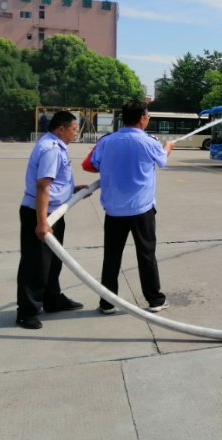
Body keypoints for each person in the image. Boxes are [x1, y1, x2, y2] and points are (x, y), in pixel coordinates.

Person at [89, 99, 174, 314]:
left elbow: (94, 164)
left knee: (111, 256)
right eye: (148, 116)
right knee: (146, 254)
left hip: (114, 210)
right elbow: (162, 161)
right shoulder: (149, 141)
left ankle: (107, 302)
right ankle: (154, 299)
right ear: (142, 118)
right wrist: (167, 147)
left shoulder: (106, 141)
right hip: (141, 209)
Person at [16, 111, 87, 330]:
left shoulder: (56, 145)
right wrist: (41, 222)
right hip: (41, 213)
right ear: (61, 129)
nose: (76, 133)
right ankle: (27, 311)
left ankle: (52, 298)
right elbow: (42, 186)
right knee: (36, 264)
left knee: (53, 261)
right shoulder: (51, 149)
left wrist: (71, 190)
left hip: (54, 211)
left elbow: (54, 183)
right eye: (74, 129)